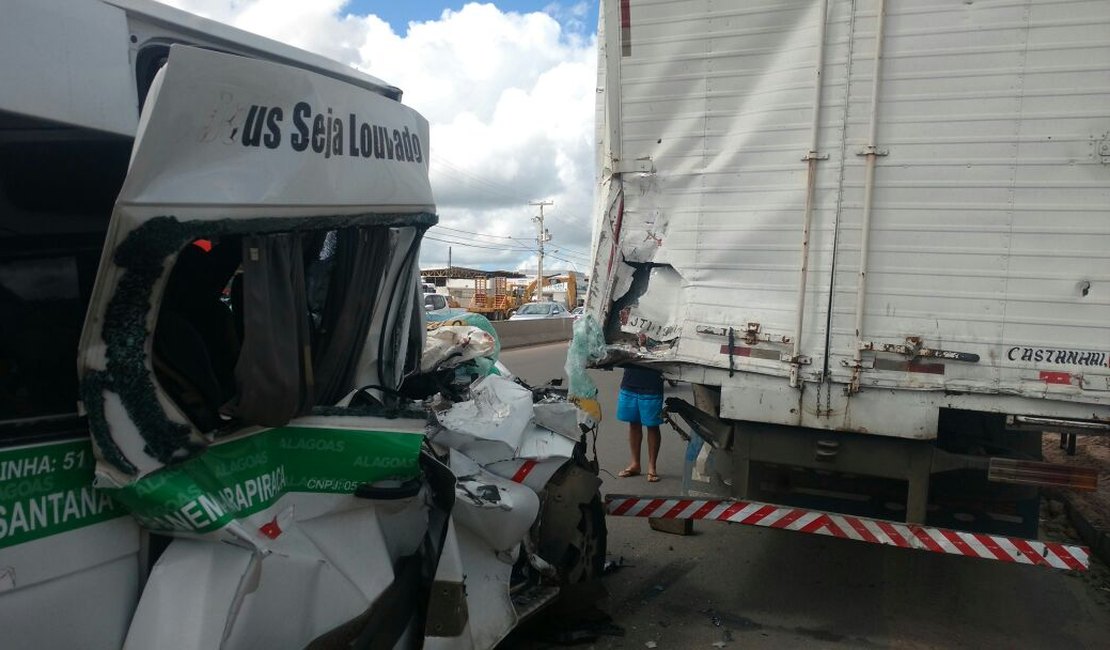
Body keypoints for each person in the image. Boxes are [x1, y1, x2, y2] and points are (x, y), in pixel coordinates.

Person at [616, 365, 664, 482]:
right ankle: (635, 464)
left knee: (652, 426)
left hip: (652, 383)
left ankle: (652, 467)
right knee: (633, 424)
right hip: (630, 382)